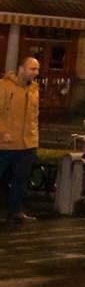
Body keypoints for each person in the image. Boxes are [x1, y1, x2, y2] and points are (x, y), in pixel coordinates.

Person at [0, 56, 41, 223]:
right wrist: (2, 132)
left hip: (27, 144)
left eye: (37, 69)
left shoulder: (34, 90)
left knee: (21, 180)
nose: (36, 73)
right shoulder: (4, 87)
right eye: (32, 69)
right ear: (21, 68)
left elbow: (35, 116)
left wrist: (34, 137)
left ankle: (15, 211)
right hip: (5, 144)